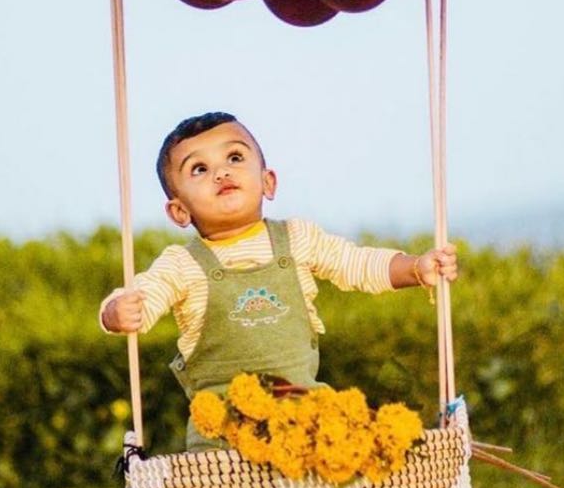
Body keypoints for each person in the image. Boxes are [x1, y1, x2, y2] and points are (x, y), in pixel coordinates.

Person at [99, 112, 457, 449]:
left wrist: (415, 268)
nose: (221, 173)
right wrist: (118, 311)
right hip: (224, 432)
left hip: (304, 417)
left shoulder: (298, 238)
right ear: (179, 211)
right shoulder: (182, 263)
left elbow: (356, 263)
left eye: (235, 158)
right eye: (199, 168)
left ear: (268, 182)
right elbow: (144, 295)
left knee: (334, 473)